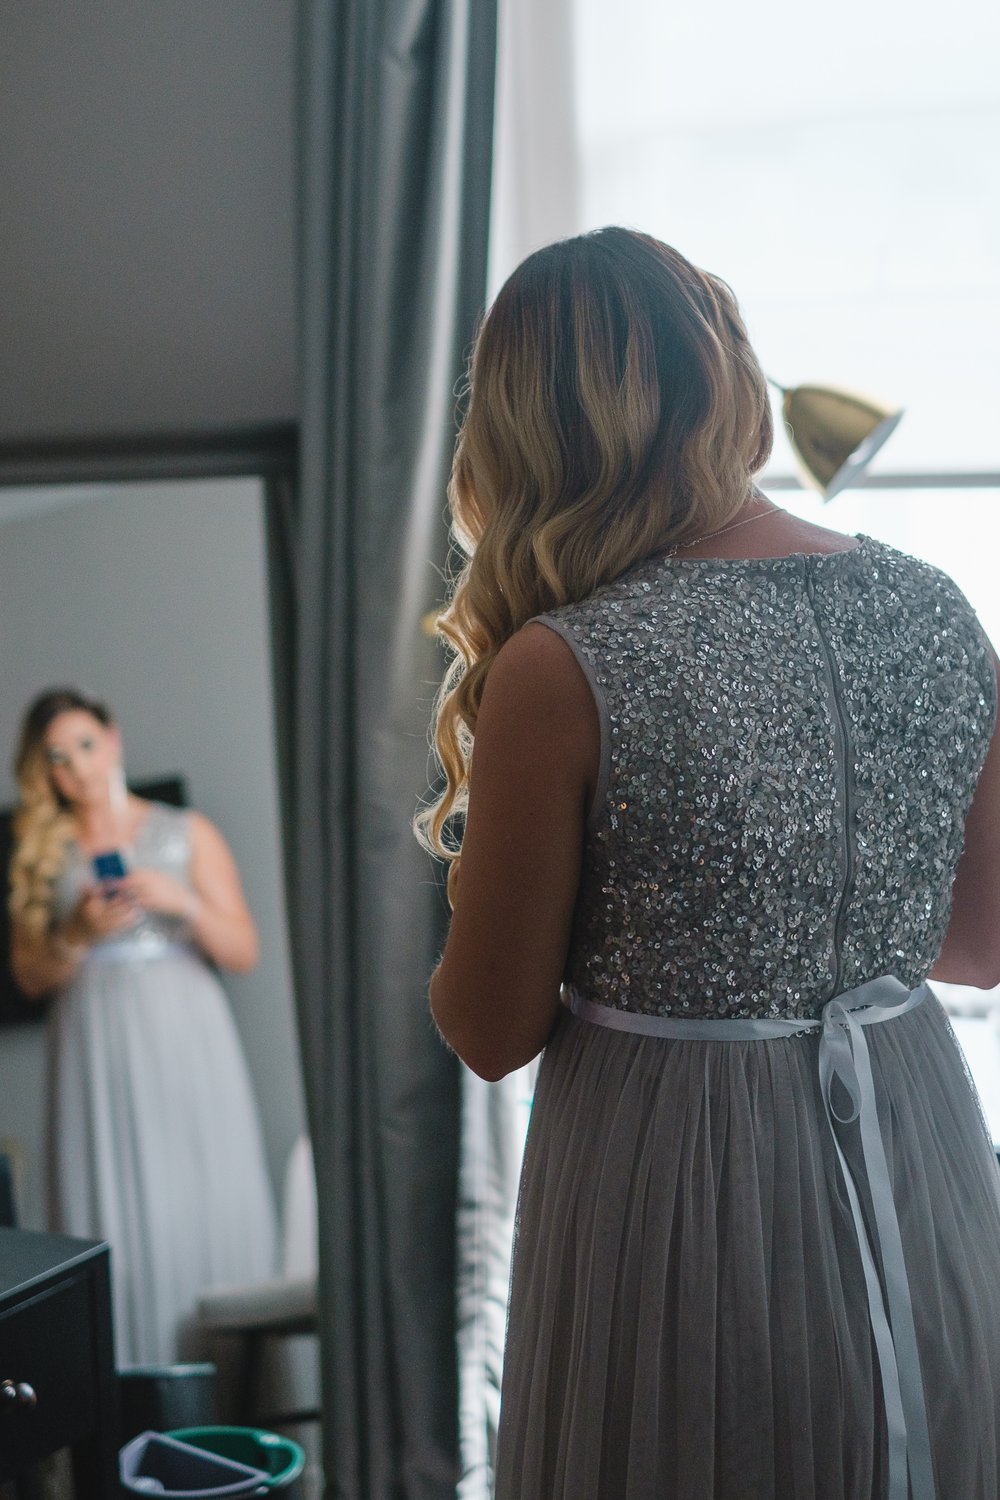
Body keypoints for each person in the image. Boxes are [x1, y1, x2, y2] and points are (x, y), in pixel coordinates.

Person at [417, 228, 1000, 1499]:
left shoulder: (563, 662)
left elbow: (489, 1026)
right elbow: (979, 945)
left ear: (521, 430)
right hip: (916, 1138)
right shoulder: (936, 604)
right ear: (726, 378)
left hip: (680, 1181)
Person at [9, 687, 278, 1366]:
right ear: (45, 771)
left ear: (115, 739)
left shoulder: (186, 833)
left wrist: (180, 901)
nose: (77, 767)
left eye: (86, 745)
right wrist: (76, 932)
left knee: (198, 1196)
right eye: (58, 757)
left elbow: (243, 951)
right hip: (91, 1044)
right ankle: (127, 1398)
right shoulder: (40, 855)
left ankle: (223, 1386)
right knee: (107, 1205)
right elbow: (29, 977)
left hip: (184, 1037)